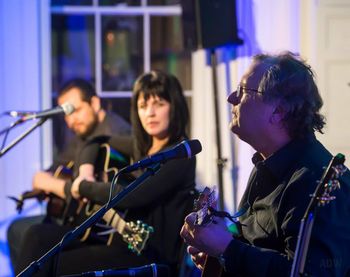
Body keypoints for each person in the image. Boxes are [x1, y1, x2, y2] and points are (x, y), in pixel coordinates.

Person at [180, 52, 350, 276]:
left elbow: (310, 273)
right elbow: (250, 233)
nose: (231, 98)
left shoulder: (319, 181)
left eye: (242, 91)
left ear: (278, 111)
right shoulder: (266, 162)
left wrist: (227, 249)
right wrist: (220, 245)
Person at [15, 70, 197, 277]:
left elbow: (133, 196)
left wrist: (82, 187)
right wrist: (85, 172)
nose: (150, 113)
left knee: (56, 265)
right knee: (36, 236)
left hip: (148, 253)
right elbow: (95, 140)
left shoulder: (181, 153)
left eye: (159, 104)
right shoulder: (142, 145)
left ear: (175, 107)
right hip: (118, 239)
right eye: (143, 106)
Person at [7, 78, 131, 274]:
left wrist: (67, 188)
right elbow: (40, 177)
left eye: (75, 110)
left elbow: (112, 190)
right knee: (16, 228)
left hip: (99, 231)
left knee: (33, 235)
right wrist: (64, 188)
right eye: (66, 114)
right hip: (72, 218)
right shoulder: (80, 136)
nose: (71, 120)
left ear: (95, 103)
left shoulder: (117, 133)